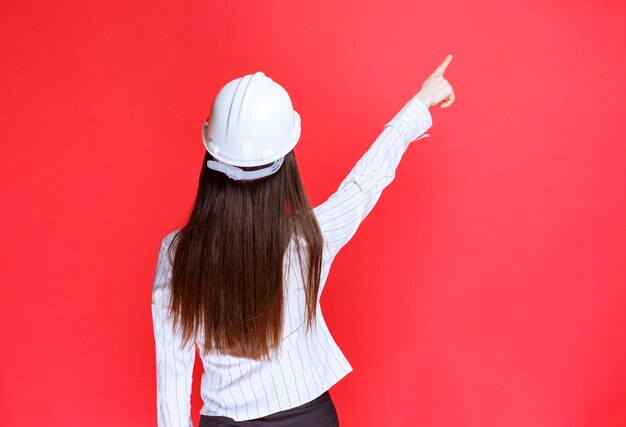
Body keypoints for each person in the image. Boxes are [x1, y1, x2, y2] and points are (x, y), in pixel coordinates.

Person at [151, 54, 455, 427]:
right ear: (286, 165)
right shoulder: (310, 237)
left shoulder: (177, 253)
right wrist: (419, 104)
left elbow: (174, 373)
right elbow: (362, 186)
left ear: (211, 155)